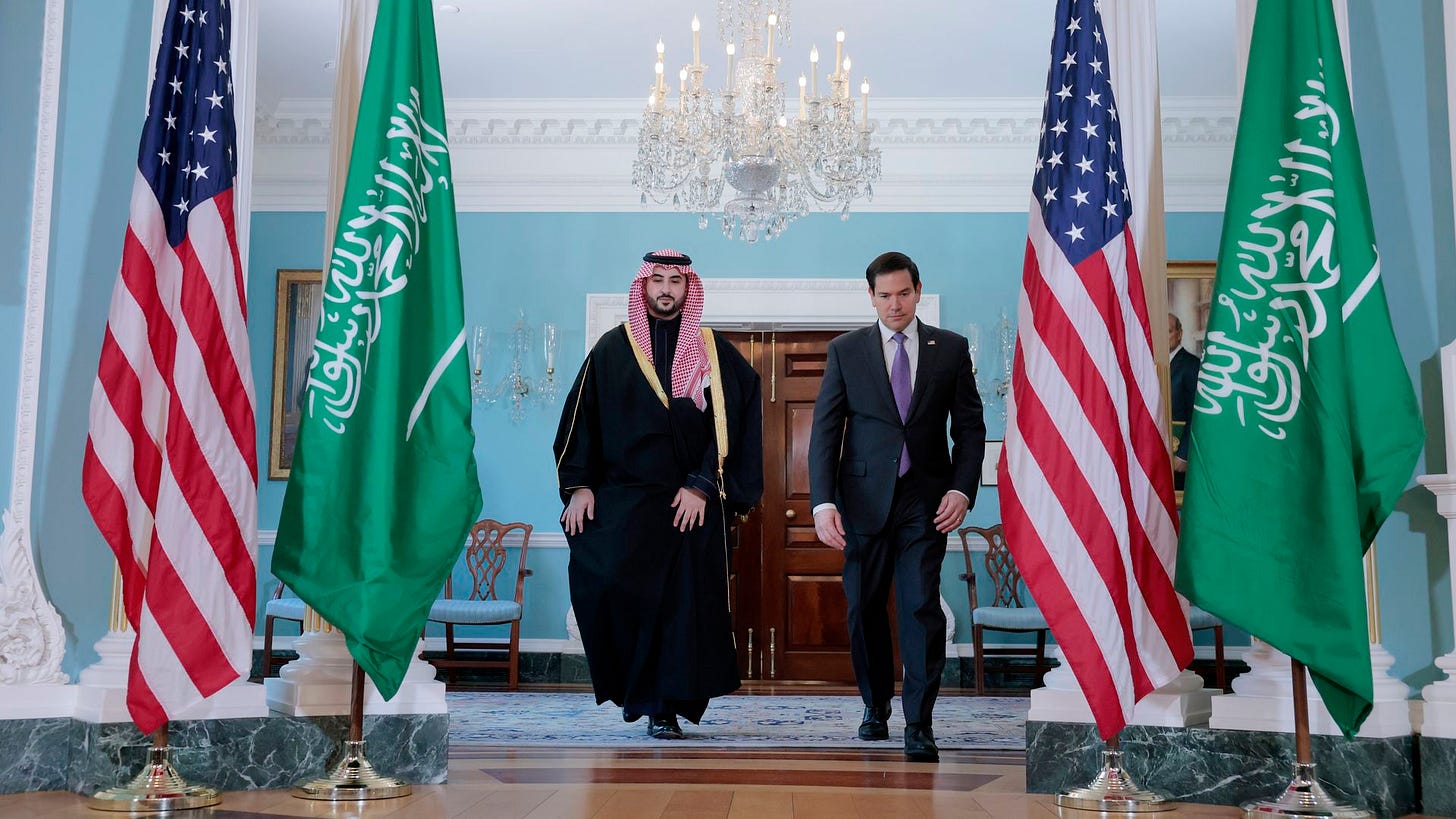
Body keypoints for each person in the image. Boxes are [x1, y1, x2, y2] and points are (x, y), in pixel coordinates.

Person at [553, 249, 763, 740]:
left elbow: (734, 422)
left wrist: (703, 484)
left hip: (691, 505)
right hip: (628, 502)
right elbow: (581, 419)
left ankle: (663, 706)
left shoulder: (713, 350)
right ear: (643, 287)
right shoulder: (612, 348)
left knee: (683, 611)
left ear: (689, 289)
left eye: (676, 281)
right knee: (609, 587)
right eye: (658, 280)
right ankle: (638, 693)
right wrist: (580, 486)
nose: (667, 289)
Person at [808, 251, 986, 763]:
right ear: (871, 296)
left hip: (926, 500)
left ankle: (919, 723)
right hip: (861, 500)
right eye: (884, 295)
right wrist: (822, 503)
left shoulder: (950, 348)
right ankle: (875, 707)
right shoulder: (846, 350)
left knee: (919, 608)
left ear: (918, 290)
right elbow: (826, 429)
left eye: (903, 293)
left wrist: (962, 488)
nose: (894, 304)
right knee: (864, 608)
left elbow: (969, 428)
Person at [1169, 312, 1200, 489]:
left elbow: (1196, 414)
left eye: (1169, 331)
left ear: (1179, 334)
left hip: (1179, 456)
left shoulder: (1191, 365)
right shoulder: (1152, 364)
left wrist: (1184, 455)